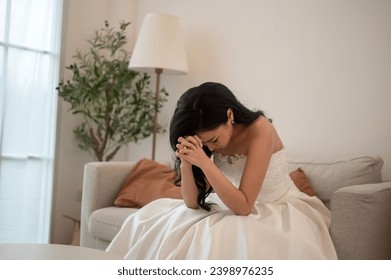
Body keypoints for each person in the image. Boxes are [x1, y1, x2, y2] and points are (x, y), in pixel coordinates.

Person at [106, 82, 338, 259]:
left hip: (273, 208)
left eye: (213, 139)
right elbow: (191, 202)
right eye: (204, 144)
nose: (210, 147)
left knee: (222, 238)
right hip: (231, 202)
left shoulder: (260, 130)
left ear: (230, 115)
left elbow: (245, 206)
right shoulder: (207, 140)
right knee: (151, 220)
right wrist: (188, 162)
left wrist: (205, 163)